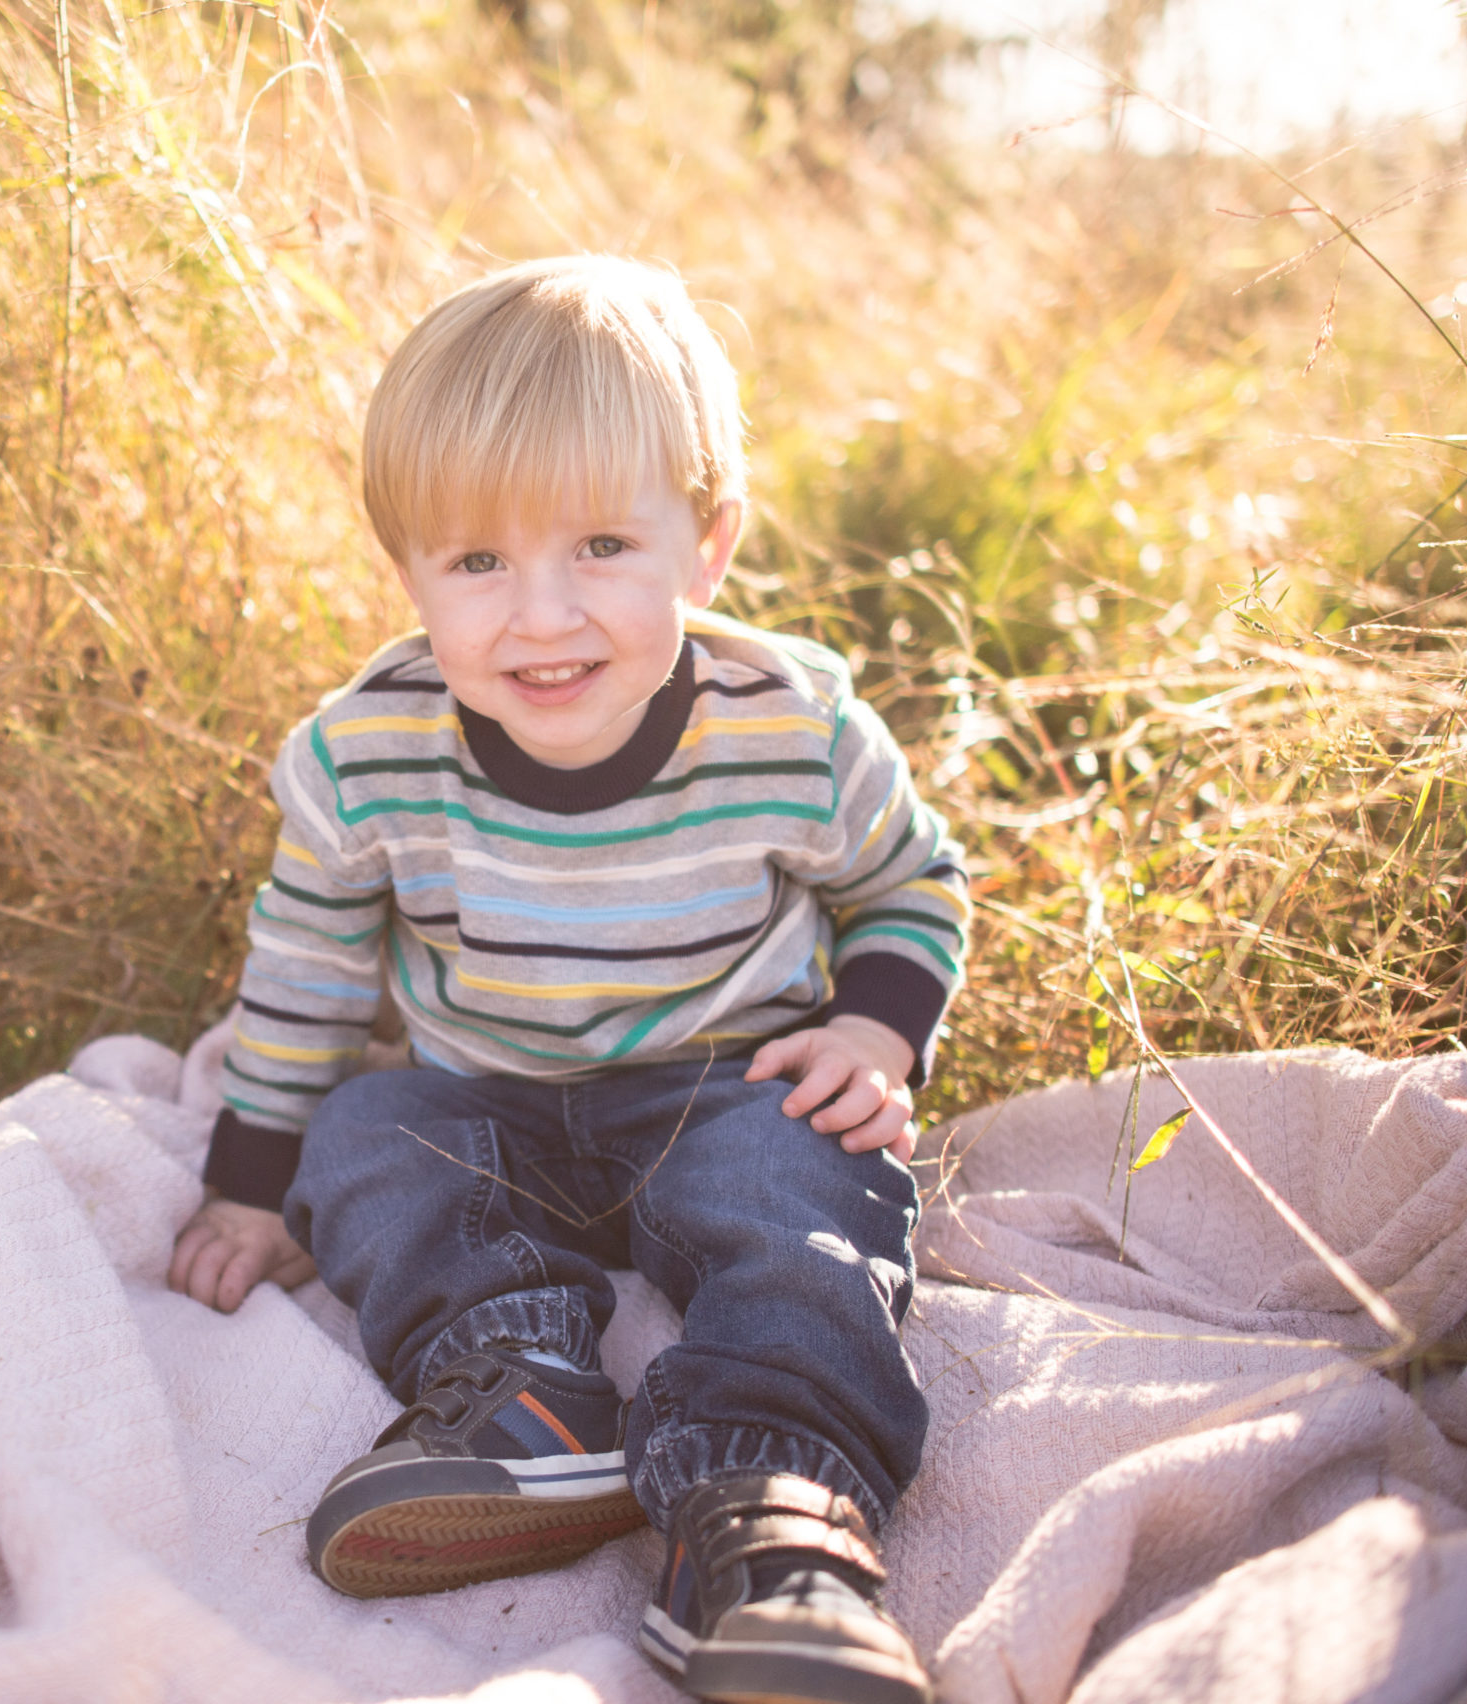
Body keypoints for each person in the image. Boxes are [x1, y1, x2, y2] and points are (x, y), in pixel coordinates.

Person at [166, 255, 965, 1704]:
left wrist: (873, 1029)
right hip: (493, 1106)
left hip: (728, 1087)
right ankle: (521, 1390)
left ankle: (766, 1507)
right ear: (408, 571)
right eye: (477, 562)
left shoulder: (789, 727)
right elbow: (302, 980)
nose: (541, 617)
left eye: (601, 545)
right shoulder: (365, 759)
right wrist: (245, 1179)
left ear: (707, 546)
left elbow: (908, 885)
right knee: (363, 1141)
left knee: (808, 1192)